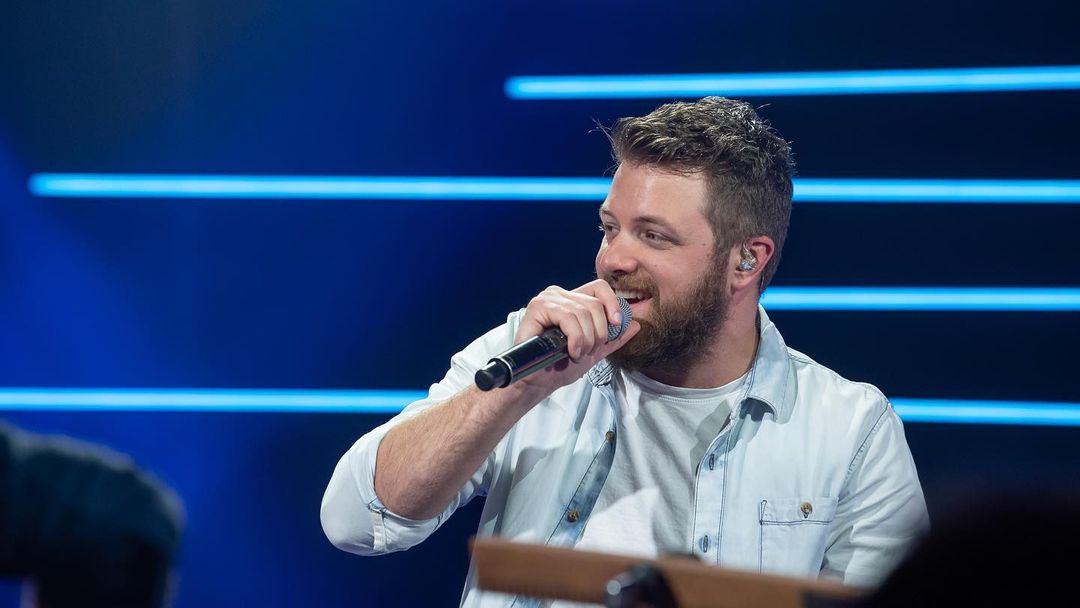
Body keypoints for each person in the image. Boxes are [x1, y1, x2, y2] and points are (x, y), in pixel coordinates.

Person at [321, 97, 929, 607]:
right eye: (610, 228)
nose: (613, 259)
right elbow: (355, 522)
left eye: (653, 236)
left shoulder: (848, 428)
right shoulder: (530, 354)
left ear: (746, 260)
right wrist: (517, 394)